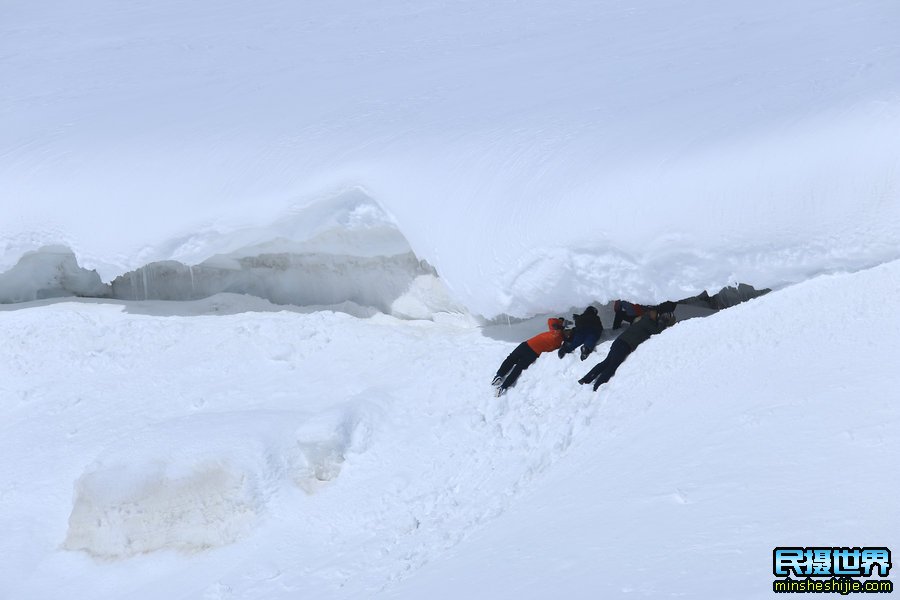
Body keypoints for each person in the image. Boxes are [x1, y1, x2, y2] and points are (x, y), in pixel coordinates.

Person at [579, 303, 676, 391]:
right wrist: (663, 322)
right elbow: (658, 332)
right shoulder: (648, 321)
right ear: (650, 313)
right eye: (655, 313)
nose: (657, 315)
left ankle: (586, 379)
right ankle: (597, 387)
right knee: (612, 367)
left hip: (619, 342)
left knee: (606, 362)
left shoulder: (644, 319)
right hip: (624, 345)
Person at [493, 317, 570, 395]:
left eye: (568, 333)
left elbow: (552, 324)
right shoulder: (558, 336)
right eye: (568, 331)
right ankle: (500, 379)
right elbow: (551, 322)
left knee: (514, 363)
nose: (567, 332)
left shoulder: (557, 336)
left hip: (529, 348)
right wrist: (561, 322)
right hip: (530, 348)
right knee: (515, 365)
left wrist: (561, 324)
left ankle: (502, 383)